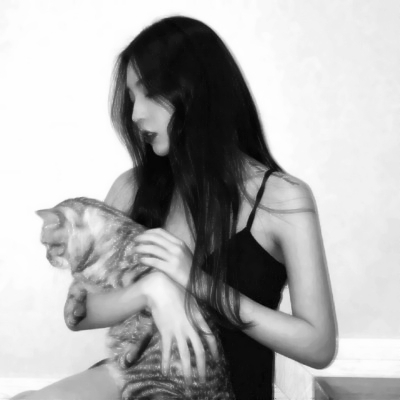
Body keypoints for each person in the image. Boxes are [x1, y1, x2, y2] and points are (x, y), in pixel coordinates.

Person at [13, 15, 337, 400]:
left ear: (197, 89)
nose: (135, 114)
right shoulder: (132, 187)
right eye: (132, 97)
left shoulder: (282, 199)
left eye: (148, 92)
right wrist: (152, 290)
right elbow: (80, 314)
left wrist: (199, 284)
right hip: (136, 381)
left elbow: (318, 346)